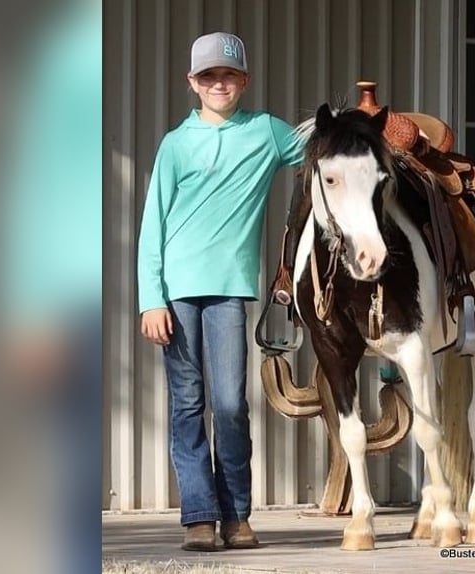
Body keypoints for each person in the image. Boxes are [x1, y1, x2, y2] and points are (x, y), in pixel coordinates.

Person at [137, 31, 303, 551]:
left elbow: (321, 156)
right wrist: (149, 299)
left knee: (231, 403)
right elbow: (152, 227)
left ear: (244, 80)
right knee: (187, 403)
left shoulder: (267, 133)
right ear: (192, 83)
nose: (219, 84)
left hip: (230, 291)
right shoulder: (175, 144)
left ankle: (237, 515)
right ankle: (200, 517)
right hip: (176, 295)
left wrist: (366, 132)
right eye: (208, 76)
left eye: (228, 75)